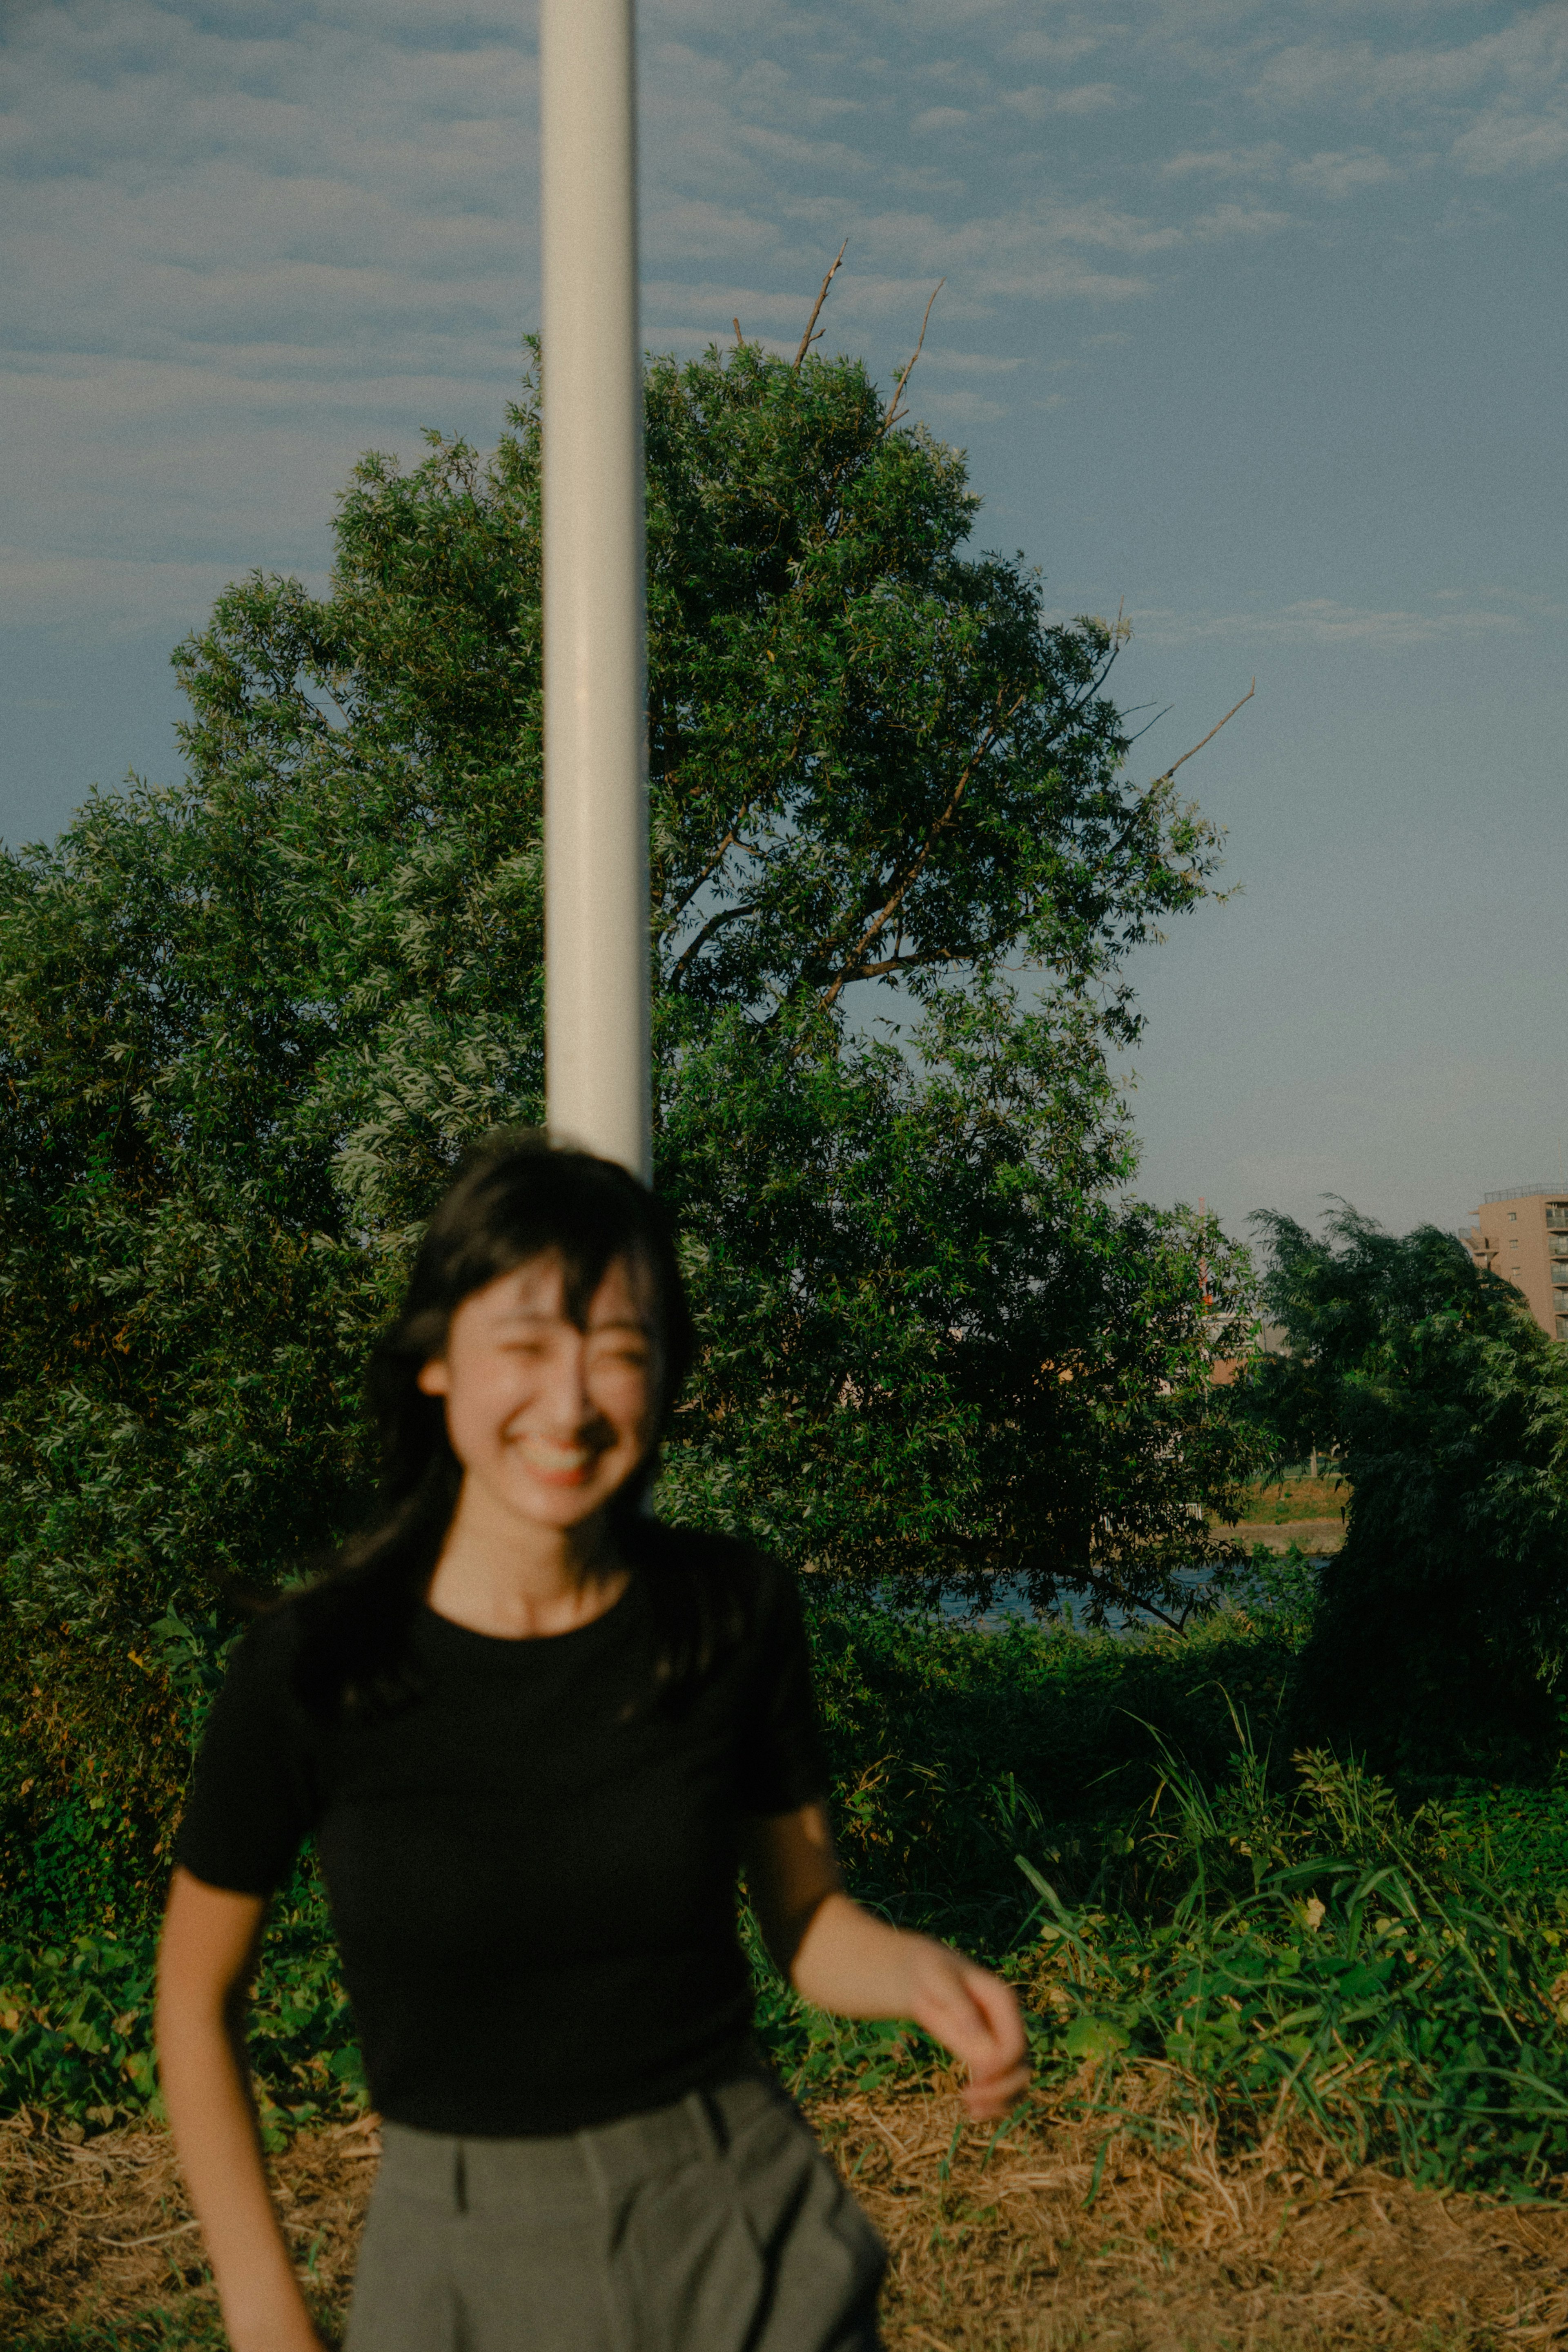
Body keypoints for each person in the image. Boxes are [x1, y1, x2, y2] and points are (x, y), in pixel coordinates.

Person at [156, 1133, 1029, 2352]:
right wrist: (265, 2316)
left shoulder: (733, 1613)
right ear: (436, 1363)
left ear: (665, 1376)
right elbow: (195, 1999)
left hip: (739, 2229)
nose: (568, 1405)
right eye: (523, 1347)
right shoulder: (315, 1665)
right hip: (459, 2262)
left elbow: (808, 1920)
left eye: (618, 1352)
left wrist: (919, 1976)